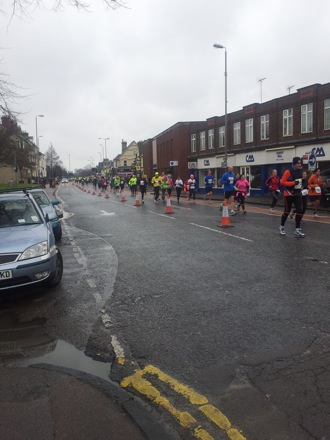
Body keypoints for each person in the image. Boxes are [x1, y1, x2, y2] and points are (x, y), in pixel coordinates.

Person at [279, 157, 305, 237]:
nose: (299, 165)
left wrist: (302, 186)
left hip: (297, 193)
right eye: (298, 163)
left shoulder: (300, 170)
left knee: (300, 210)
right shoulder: (288, 171)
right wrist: (293, 183)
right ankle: (282, 227)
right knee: (287, 211)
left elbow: (301, 181)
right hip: (288, 194)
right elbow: (282, 182)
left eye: (300, 163)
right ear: (294, 164)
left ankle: (297, 229)